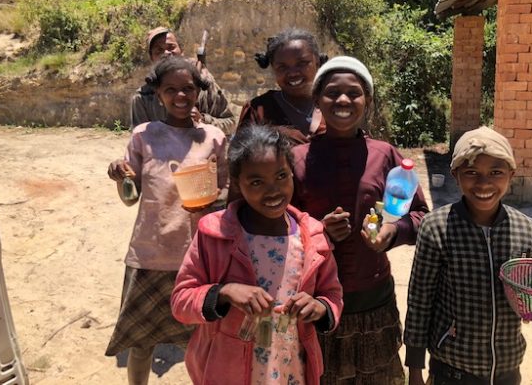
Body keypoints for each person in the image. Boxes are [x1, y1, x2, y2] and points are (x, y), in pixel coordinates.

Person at [290, 56, 430, 384]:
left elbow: (422, 215)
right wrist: (318, 232)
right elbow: (277, 226)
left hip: (373, 299)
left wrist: (393, 231)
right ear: (317, 100)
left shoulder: (385, 155)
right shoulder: (296, 160)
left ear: (367, 100)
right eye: (332, 93)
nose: (342, 100)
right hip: (315, 300)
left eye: (353, 93)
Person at [171, 124, 343, 385]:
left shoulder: (313, 237)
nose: (272, 190)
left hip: (291, 369)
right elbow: (181, 301)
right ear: (238, 185)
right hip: (228, 370)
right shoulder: (214, 234)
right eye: (256, 182)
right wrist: (224, 292)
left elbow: (332, 295)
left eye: (281, 176)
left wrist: (319, 307)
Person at [106, 56, 228, 385]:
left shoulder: (213, 138)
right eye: (170, 89)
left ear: (198, 91)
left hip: (197, 257)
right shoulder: (144, 135)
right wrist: (121, 177)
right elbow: (131, 197)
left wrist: (213, 200)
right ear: (158, 94)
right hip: (149, 254)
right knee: (141, 342)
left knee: (199, 342)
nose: (180, 96)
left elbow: (227, 193)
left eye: (188, 89)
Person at [404, 126, 532, 385]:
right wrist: (415, 369)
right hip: (452, 369)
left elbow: (530, 296)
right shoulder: (436, 227)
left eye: (496, 172)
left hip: (508, 369)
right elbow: (420, 300)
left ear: (511, 174)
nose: (484, 183)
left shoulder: (527, 230)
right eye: (471, 172)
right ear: (456, 175)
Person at [130, 27, 236, 135]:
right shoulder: (143, 98)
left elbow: (230, 124)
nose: (166, 53)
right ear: (152, 58)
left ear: (181, 51)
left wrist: (203, 120)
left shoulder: (204, 85)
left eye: (171, 47)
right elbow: (141, 141)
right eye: (159, 50)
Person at [238, 28, 327, 145]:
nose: (293, 73)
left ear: (317, 63)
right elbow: (240, 158)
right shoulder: (258, 110)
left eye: (302, 63)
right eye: (282, 67)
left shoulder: (335, 105)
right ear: (274, 69)